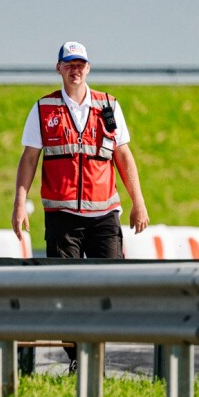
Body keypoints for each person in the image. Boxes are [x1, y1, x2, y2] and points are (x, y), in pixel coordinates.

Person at [12, 41, 149, 259]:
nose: (75, 70)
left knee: (113, 281)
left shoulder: (109, 106)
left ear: (88, 67)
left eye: (80, 65)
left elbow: (123, 156)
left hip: (104, 217)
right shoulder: (43, 108)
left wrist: (138, 202)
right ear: (59, 68)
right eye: (69, 65)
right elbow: (28, 160)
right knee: (64, 284)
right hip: (62, 218)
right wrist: (19, 203)